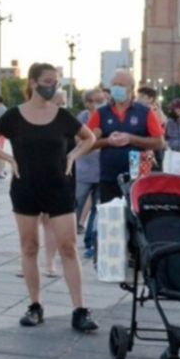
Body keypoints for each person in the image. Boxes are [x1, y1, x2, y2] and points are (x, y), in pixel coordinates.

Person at [0, 63, 99, 332]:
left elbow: (88, 138)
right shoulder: (14, 116)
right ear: (33, 83)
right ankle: (35, 305)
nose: (53, 86)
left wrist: (72, 156)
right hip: (26, 187)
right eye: (48, 81)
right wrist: (9, 158)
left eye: (55, 81)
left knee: (68, 246)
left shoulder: (62, 115)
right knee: (30, 246)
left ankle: (80, 309)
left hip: (59, 186)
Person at [87, 69, 167, 203]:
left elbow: (160, 143)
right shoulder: (101, 113)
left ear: (131, 88)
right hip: (109, 177)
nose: (117, 88)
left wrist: (131, 139)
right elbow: (86, 143)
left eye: (122, 85)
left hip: (139, 176)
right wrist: (108, 141)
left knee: (136, 216)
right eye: (115, 84)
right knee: (111, 217)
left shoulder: (145, 112)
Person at [74, 89, 104, 260]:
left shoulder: (107, 116)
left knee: (97, 209)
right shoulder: (83, 118)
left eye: (100, 100)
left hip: (103, 169)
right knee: (77, 205)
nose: (96, 104)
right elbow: (78, 141)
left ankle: (91, 242)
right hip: (84, 169)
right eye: (92, 101)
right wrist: (96, 138)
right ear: (86, 102)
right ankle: (69, 237)